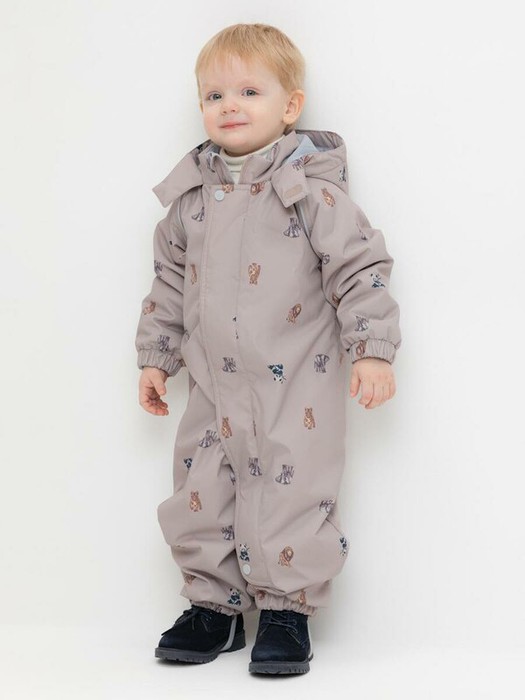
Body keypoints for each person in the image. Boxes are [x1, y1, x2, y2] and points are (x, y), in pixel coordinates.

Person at [135, 22, 401, 675]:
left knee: (292, 487)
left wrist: (371, 348)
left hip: (294, 382)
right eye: (214, 95)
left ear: (289, 106)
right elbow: (167, 283)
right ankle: (213, 607)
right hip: (212, 383)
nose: (229, 105)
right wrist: (156, 357)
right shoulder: (189, 202)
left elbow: (359, 268)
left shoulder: (311, 192)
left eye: (249, 92)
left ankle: (286, 609)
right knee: (200, 487)